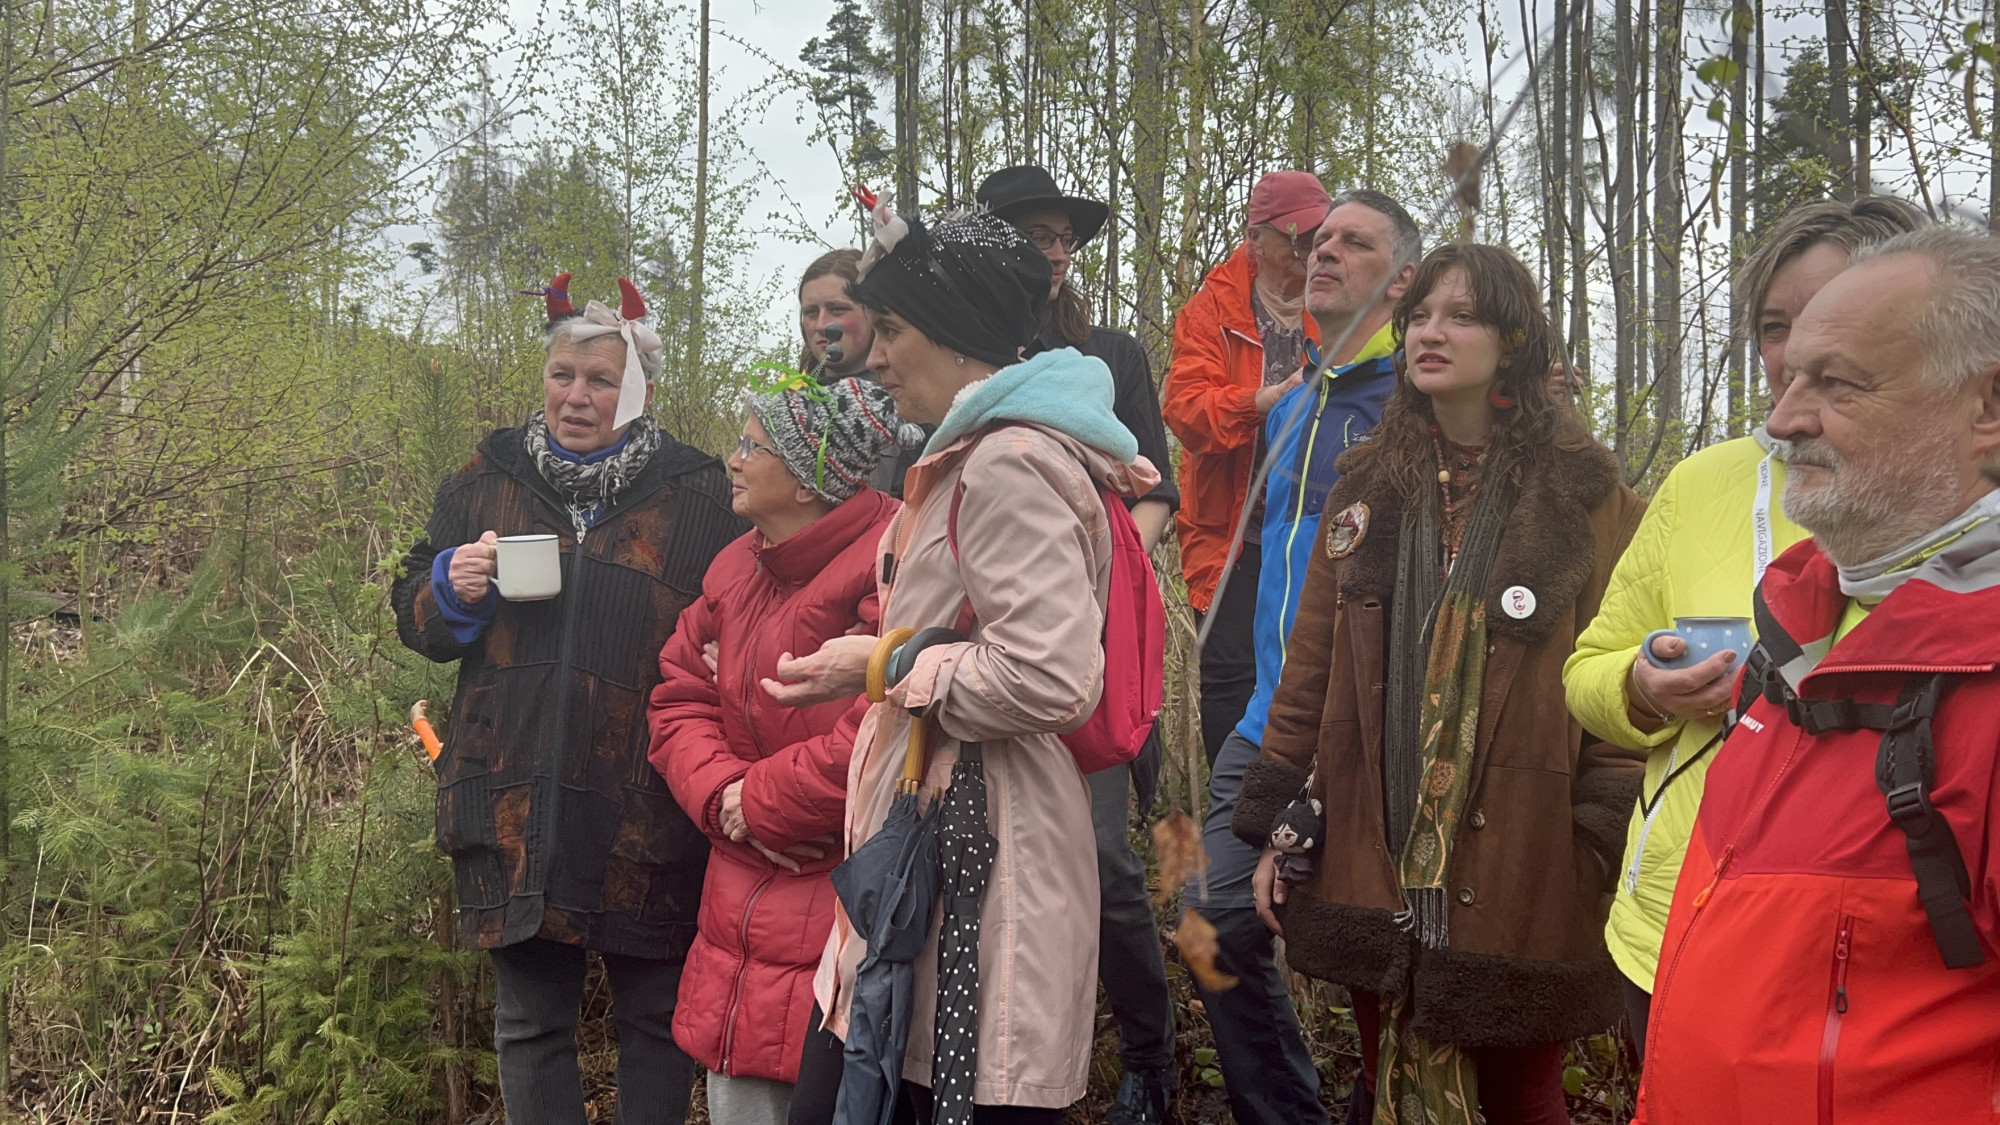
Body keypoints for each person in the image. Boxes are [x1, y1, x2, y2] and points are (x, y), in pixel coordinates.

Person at [1233, 244, 1645, 1125]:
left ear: (1514, 339)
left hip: (1528, 857)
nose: (1430, 331)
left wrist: (1597, 838)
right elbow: (1309, 676)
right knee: (1384, 1075)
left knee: (1525, 1098)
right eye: (1419, 314)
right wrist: (1279, 826)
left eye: (1461, 315)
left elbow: (1621, 677)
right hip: (1369, 845)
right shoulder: (1366, 486)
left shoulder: (1588, 493)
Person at [1632, 226, 2000, 1122]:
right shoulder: (1796, 623)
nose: (1783, 420)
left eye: (1837, 384)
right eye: (1790, 375)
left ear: (1988, 406)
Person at [803, 204, 1160, 1124]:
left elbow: (1049, 676)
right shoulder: (978, 452)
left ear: (954, 332)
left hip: (982, 866)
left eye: (891, 329)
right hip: (946, 845)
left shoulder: (1006, 463)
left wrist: (884, 665)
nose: (876, 356)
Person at [1562, 196, 1923, 1060]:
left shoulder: (1956, 499)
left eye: (1827, 315)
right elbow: (1588, 669)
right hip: (1676, 925)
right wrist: (1643, 687)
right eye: (1773, 326)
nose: (1794, 353)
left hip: (1885, 959)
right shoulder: (1701, 484)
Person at [392, 275, 746, 1125]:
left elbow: (744, 624)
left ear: (641, 389)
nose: (577, 396)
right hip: (512, 797)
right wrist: (449, 586)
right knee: (530, 1022)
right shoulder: (486, 478)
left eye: (600, 380)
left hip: (647, 804)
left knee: (655, 1020)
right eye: (563, 375)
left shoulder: (701, 496)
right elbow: (416, 618)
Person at [1190, 189, 1418, 1125]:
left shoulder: (1415, 405)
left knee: (1378, 952)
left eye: (1353, 243)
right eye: (1319, 240)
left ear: (1402, 280)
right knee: (1211, 919)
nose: (1323, 252)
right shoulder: (1293, 405)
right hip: (1269, 720)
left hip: (1370, 730)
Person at [647, 376, 918, 1125]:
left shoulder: (891, 562)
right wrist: (723, 797)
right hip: (734, 893)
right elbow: (678, 694)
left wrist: (761, 801)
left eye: (752, 447)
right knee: (740, 1095)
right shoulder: (736, 565)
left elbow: (883, 724)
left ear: (805, 481)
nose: (732, 460)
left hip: (838, 897)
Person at [974, 163, 1178, 1125]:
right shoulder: (965, 351)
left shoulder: (1111, 355)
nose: (1054, 253)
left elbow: (1157, 489)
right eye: (1034, 236)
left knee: (1102, 855)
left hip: (1088, 643)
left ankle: (1151, 1052)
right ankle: (995, 1062)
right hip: (976, 644)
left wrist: (1099, 569)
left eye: (1063, 238)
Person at [1163, 170, 1332, 762]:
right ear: (1256, 237)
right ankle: (1232, 806)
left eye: (1319, 234)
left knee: (1316, 671)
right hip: (1232, 535)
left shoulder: (1336, 303)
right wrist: (1261, 401)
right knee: (1231, 677)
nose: (1310, 248)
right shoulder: (1211, 310)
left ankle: (1302, 804)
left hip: (1316, 528)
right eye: (1296, 236)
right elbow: (1186, 410)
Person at [799, 249, 922, 497]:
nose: (821, 325)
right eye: (811, 312)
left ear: (873, 314)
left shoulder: (912, 404)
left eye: (837, 309)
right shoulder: (790, 404)